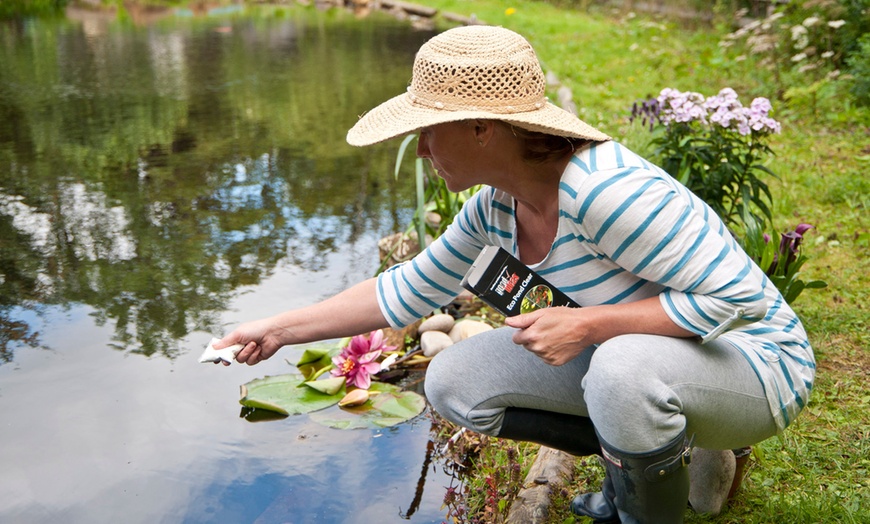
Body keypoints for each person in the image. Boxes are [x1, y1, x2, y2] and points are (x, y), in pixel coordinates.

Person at [214, 25, 814, 523]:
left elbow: (738, 301)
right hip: (655, 356)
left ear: (482, 127)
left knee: (620, 367)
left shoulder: (606, 194)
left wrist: (590, 326)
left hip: (757, 365)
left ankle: (644, 509)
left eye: (427, 129)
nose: (421, 150)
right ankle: (667, 455)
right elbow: (404, 288)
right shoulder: (494, 207)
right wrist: (277, 329)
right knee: (453, 379)